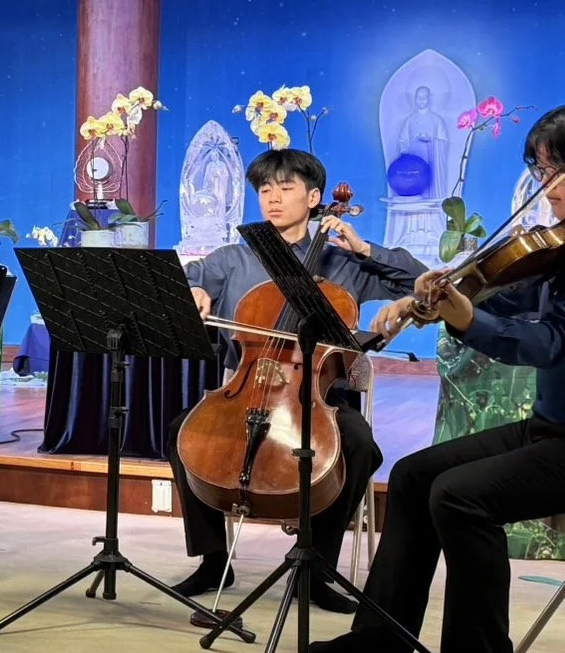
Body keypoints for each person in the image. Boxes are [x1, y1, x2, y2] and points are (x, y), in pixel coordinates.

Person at [311, 96, 565, 653]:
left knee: (461, 497)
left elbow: (554, 340)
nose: (545, 187)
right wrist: (452, 293)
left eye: (556, 172)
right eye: (541, 170)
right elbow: (523, 299)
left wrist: (466, 319)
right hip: (562, 430)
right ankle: (385, 633)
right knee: (413, 474)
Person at [166, 149, 426, 613]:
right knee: (180, 433)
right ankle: (212, 560)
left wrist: (365, 249)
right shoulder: (234, 258)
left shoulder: (343, 262)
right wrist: (196, 290)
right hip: (244, 389)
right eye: (265, 189)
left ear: (314, 197)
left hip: (316, 396)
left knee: (359, 446)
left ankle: (316, 566)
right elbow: (184, 281)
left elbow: (419, 281)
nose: (273, 198)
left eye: (286, 188)